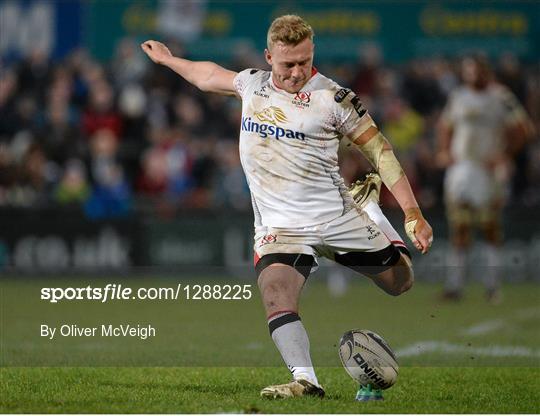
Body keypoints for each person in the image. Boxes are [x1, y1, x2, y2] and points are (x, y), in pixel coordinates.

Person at [141, 15, 433, 399]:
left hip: (336, 218)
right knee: (275, 291)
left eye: (305, 62)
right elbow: (206, 74)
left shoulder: (334, 98)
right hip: (281, 226)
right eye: (287, 64)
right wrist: (168, 60)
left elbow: (380, 150)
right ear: (268, 58)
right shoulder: (252, 85)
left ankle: (373, 212)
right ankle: (306, 380)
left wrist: (412, 213)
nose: (297, 72)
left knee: (401, 283)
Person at [437, 56, 534, 303]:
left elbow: (524, 129)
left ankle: (492, 286)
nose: (472, 75)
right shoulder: (458, 96)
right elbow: (445, 126)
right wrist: (444, 151)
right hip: (461, 167)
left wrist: (504, 155)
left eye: (476, 70)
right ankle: (455, 286)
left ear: (485, 72)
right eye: (468, 71)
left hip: (487, 169)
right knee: (459, 226)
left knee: (489, 227)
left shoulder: (501, 96)